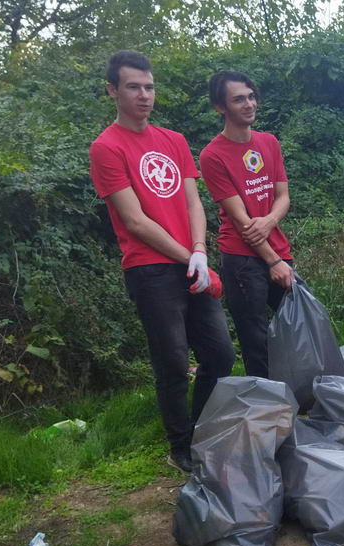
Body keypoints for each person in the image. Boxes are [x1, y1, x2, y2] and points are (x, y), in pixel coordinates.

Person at [89, 51, 235, 474]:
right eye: (133, 87)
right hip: (150, 269)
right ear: (113, 91)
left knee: (220, 354)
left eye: (149, 87)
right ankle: (181, 444)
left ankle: (204, 428)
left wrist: (201, 250)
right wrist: (189, 256)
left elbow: (193, 200)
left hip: (193, 260)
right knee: (171, 360)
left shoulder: (172, 140)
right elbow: (134, 220)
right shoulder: (106, 147)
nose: (143, 95)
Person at [200, 71, 295, 378]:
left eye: (251, 96)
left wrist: (269, 220)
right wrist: (273, 261)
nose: (248, 104)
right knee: (256, 339)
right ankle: (268, 413)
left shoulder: (269, 142)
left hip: (278, 248)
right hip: (242, 259)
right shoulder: (212, 155)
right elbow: (242, 222)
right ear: (220, 107)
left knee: (295, 325)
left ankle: (301, 397)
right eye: (238, 99)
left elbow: (283, 196)